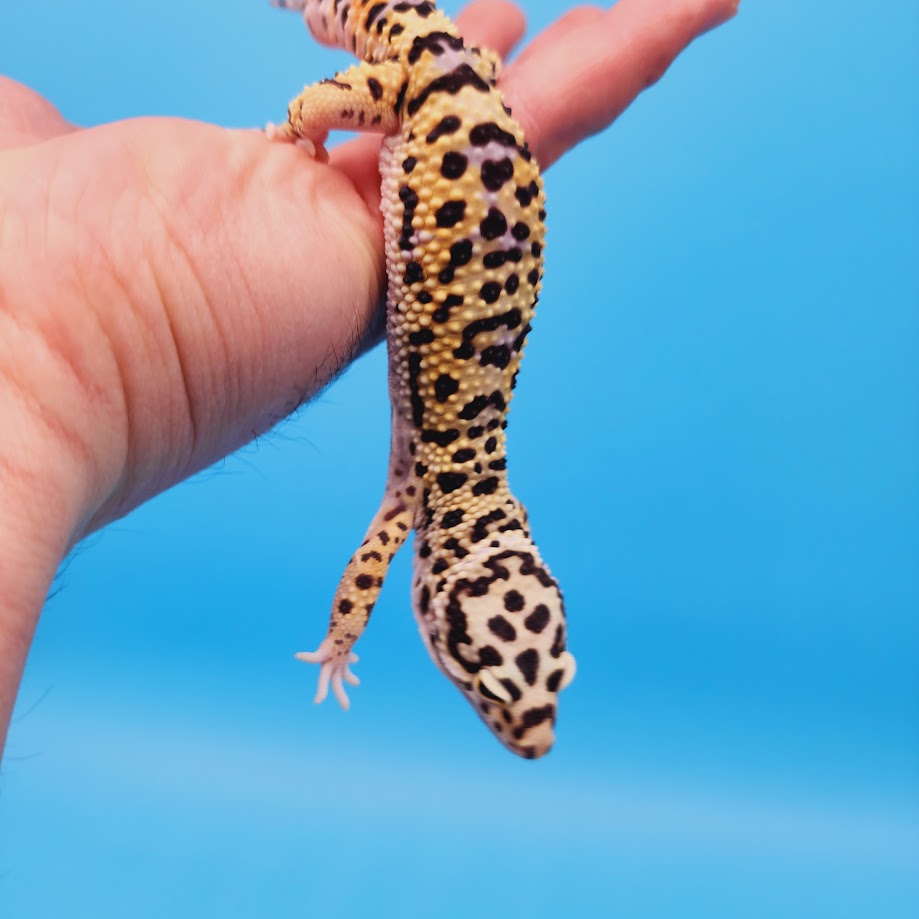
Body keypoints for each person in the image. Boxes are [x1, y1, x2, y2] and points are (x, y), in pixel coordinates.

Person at [0, 0, 737, 758]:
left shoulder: (486, 482)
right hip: (425, 100)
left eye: (509, 686)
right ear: (438, 592)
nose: (529, 730)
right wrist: (338, 644)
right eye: (492, 684)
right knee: (317, 104)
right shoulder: (422, 490)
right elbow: (366, 570)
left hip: (465, 102)